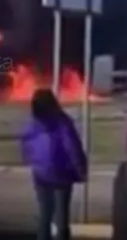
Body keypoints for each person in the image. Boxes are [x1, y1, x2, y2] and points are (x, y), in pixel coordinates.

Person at [20, 89, 87, 240]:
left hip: (40, 173)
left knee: (44, 213)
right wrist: (81, 169)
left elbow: (25, 144)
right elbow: (72, 147)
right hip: (61, 173)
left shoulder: (33, 123)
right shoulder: (62, 121)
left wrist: (30, 160)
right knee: (61, 215)